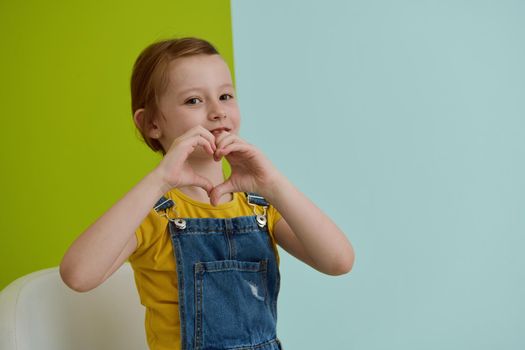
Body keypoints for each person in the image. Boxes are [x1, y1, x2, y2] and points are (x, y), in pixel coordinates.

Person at [60, 37, 355, 350]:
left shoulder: (259, 207)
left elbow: (339, 261)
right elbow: (78, 275)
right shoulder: (155, 214)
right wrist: (160, 180)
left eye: (225, 96)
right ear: (151, 124)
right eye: (193, 101)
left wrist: (273, 183)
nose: (217, 112)